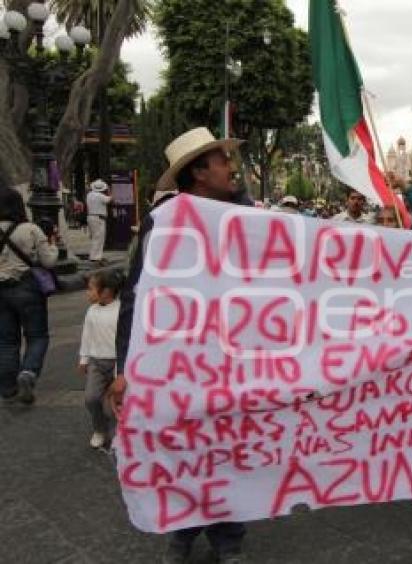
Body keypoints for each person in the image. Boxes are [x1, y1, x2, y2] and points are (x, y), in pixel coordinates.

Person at [110, 127, 248, 563]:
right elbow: (136, 294)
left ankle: (229, 537)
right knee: (182, 448)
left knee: (227, 449)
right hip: (177, 365)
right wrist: (123, 369)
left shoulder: (248, 215)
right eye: (221, 160)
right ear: (199, 173)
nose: (231, 166)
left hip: (232, 361)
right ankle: (184, 532)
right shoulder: (164, 222)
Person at [0, 188, 58, 405]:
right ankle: (28, 373)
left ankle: (7, 389)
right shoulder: (30, 229)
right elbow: (50, 261)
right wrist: (51, 242)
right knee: (37, 336)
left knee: (6, 341)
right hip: (27, 287)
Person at [78, 270, 123, 448]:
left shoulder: (120, 311)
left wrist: (122, 368)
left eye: (90, 289)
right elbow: (86, 335)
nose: (87, 293)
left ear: (106, 292)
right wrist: (84, 359)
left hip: (116, 363)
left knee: (112, 404)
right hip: (96, 362)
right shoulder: (91, 311)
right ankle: (99, 429)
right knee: (91, 398)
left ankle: (117, 433)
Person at [86, 179, 112, 265]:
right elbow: (110, 199)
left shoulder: (89, 195)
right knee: (99, 237)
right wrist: (109, 191)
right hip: (98, 218)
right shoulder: (100, 196)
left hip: (90, 217)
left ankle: (95, 255)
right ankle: (95, 257)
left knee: (94, 237)